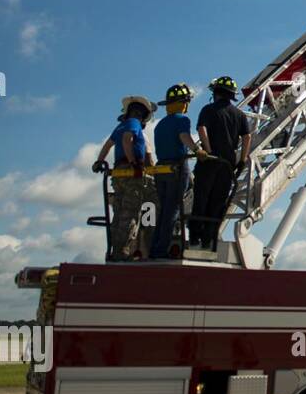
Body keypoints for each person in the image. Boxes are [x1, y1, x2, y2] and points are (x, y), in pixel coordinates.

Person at [190, 76, 251, 252]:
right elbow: (247, 137)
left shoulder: (208, 110)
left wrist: (208, 151)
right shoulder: (239, 114)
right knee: (218, 202)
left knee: (201, 198)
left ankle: (195, 236)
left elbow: (202, 129)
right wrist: (242, 159)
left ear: (216, 93)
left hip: (209, 162)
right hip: (227, 164)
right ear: (231, 96)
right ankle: (208, 239)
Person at [92, 95, 157, 261]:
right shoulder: (134, 124)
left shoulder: (119, 126)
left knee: (119, 213)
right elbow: (127, 140)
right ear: (142, 115)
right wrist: (134, 163)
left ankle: (115, 249)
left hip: (119, 174)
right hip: (131, 174)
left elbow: (108, 144)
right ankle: (123, 252)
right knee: (131, 213)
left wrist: (99, 161)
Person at [149, 84, 207, 259]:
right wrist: (198, 151)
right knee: (173, 210)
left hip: (161, 170)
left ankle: (155, 247)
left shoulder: (160, 125)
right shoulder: (182, 120)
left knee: (164, 210)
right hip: (177, 168)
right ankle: (161, 250)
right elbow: (184, 137)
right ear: (184, 103)